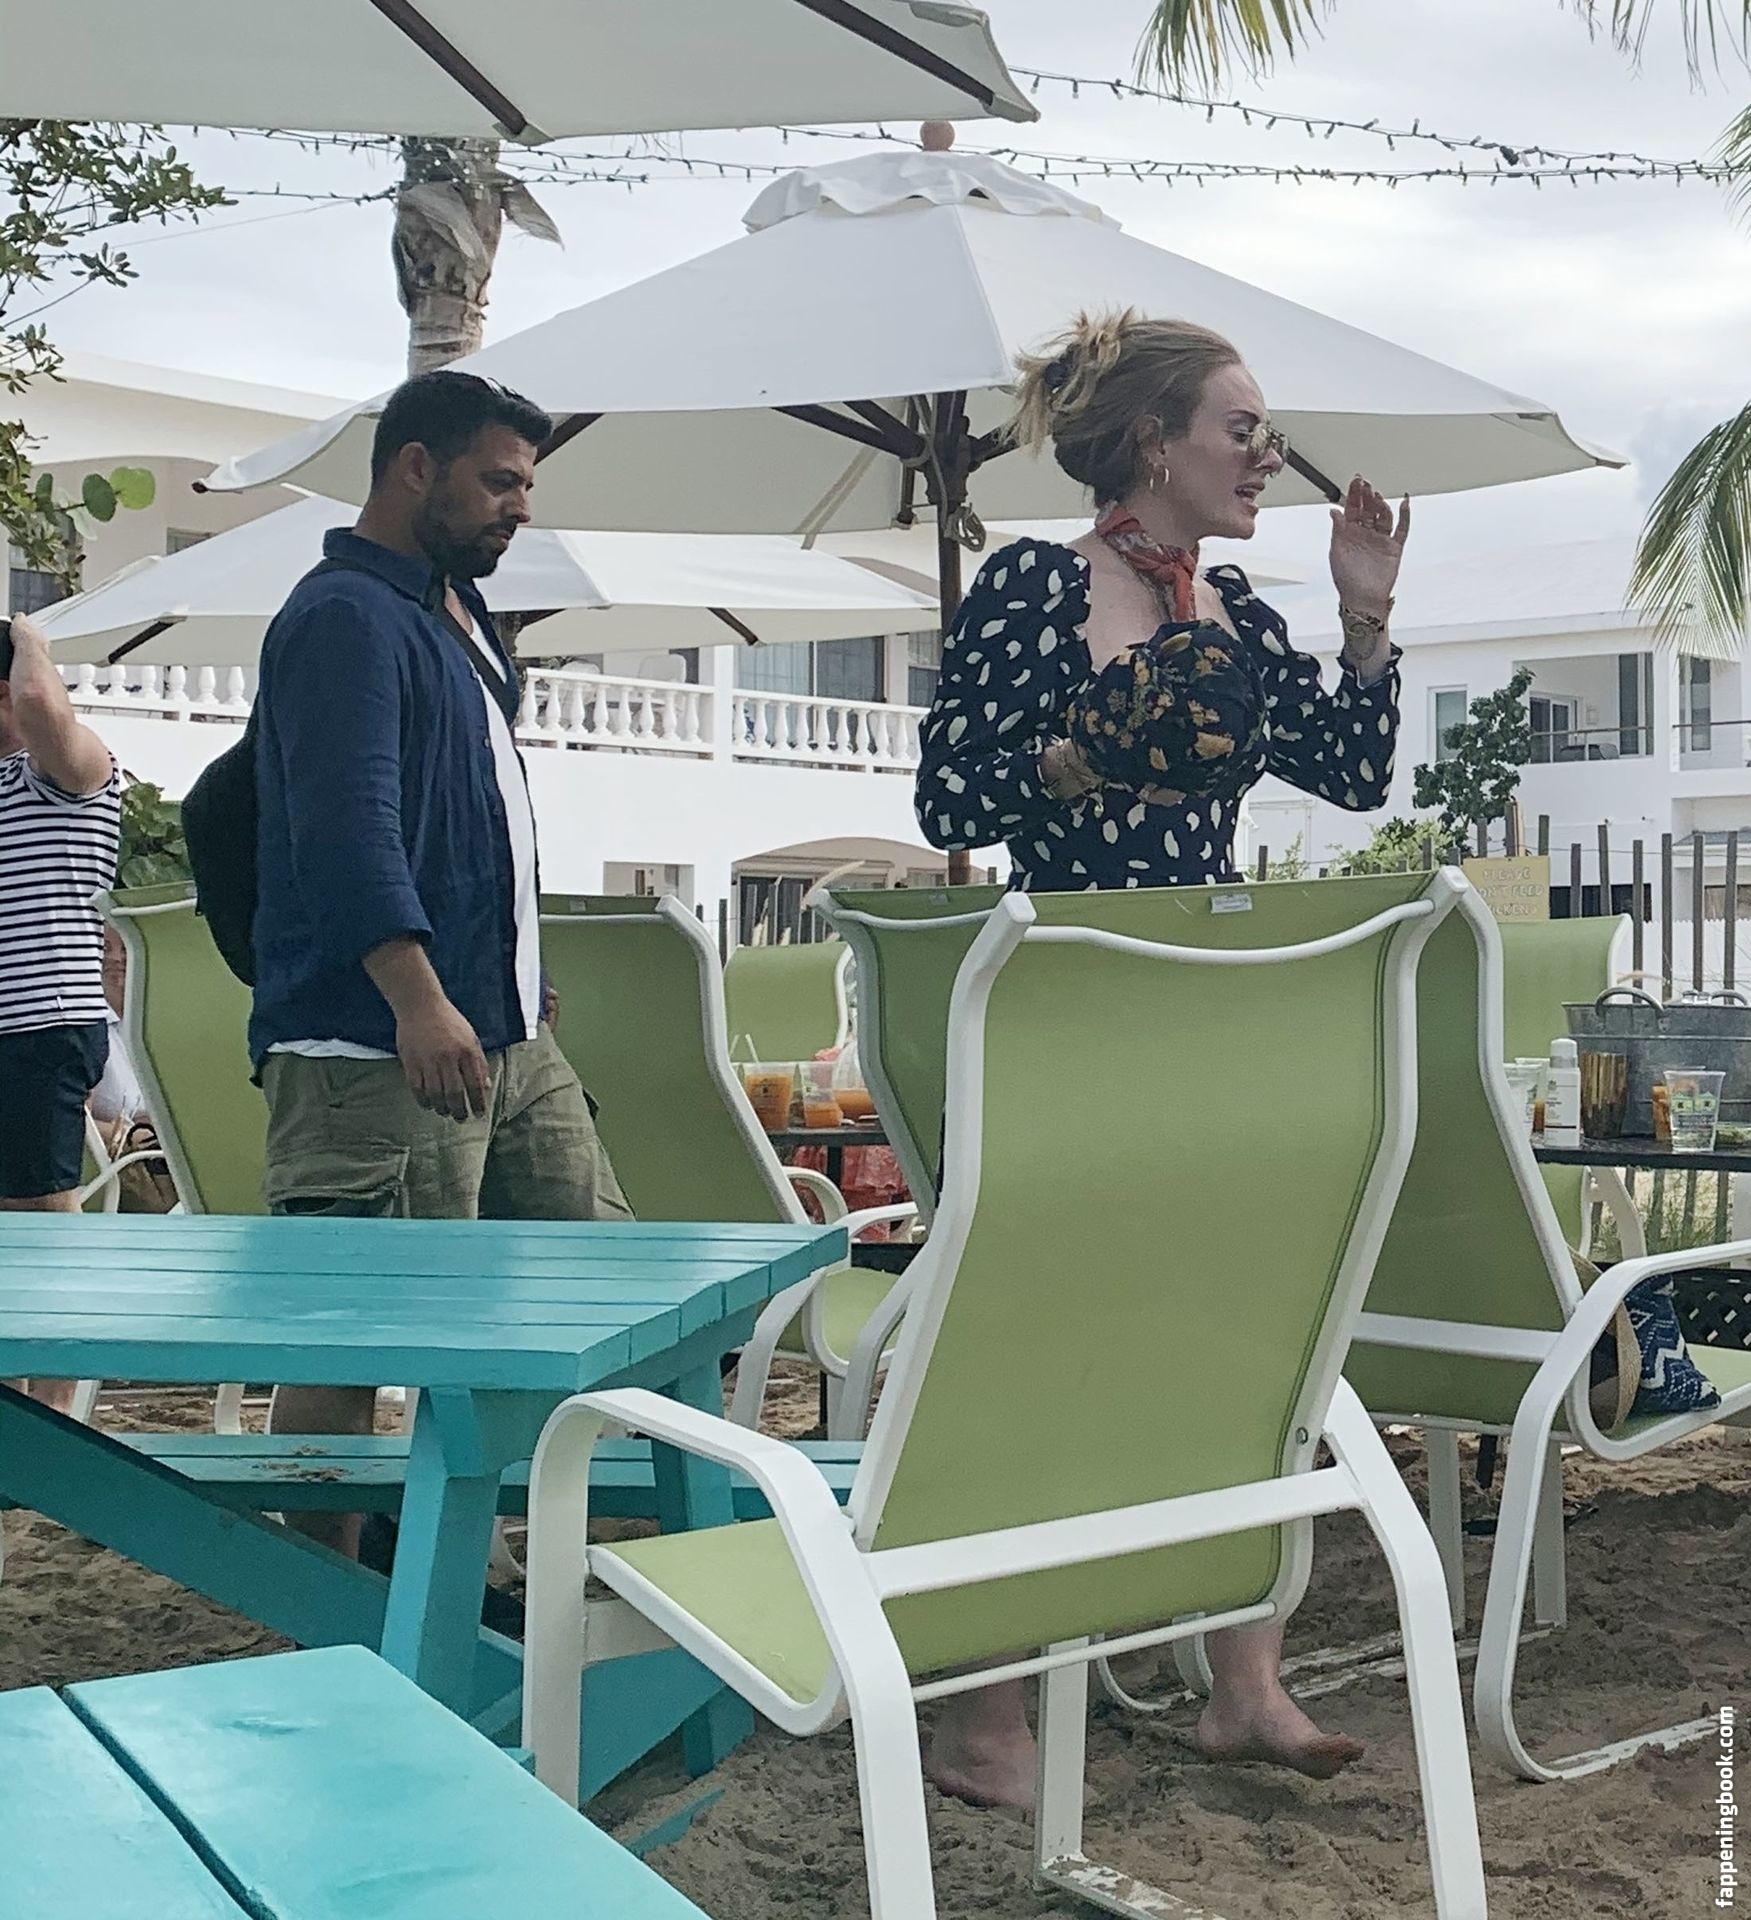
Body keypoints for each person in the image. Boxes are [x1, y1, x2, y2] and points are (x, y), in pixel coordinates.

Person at [913, 310, 1412, 1807]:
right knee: (1036, 1348)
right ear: (1151, 442)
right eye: (1239, 431)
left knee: (1233, 1333)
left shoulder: (1237, 611)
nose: (1264, 458)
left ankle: (1241, 1687)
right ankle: (982, 1721)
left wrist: (1363, 620)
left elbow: (1350, 772)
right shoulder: (1029, 588)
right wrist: (1084, 753)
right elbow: (948, 798)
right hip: (1068, 1012)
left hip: (1203, 1011)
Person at [252, 370, 631, 1551]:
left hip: (501, 1035)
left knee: (588, 1287)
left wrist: (510, 967)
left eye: (525, 484)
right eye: (499, 481)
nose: (520, 506)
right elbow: (343, 829)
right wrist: (418, 997)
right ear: (415, 467)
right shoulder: (342, 618)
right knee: (352, 1338)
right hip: (374, 1045)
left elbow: (469, 816)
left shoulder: (452, 615)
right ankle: (323, 1603)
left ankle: (462, 1563)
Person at [0, 611, 123, 1412]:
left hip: (42, 1020)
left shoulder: (65, 771)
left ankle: (54, 1419)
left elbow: (43, 707)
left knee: (41, 1221)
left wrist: (30, 640)